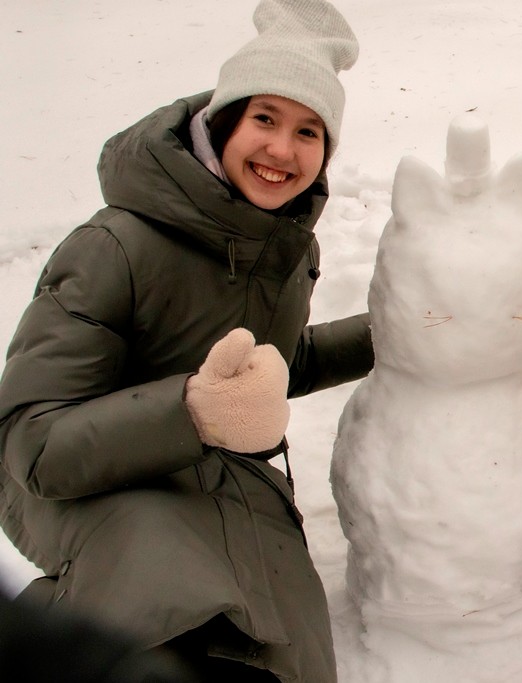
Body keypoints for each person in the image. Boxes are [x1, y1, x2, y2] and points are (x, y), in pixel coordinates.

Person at [0, 0, 371, 680]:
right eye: (265, 118)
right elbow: (32, 443)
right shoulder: (115, 245)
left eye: (309, 131)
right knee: (170, 615)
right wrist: (195, 411)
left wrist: (390, 333)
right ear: (223, 120)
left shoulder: (283, 245)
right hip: (89, 483)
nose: (282, 150)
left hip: (224, 477)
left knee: (283, 644)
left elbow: (269, 372)